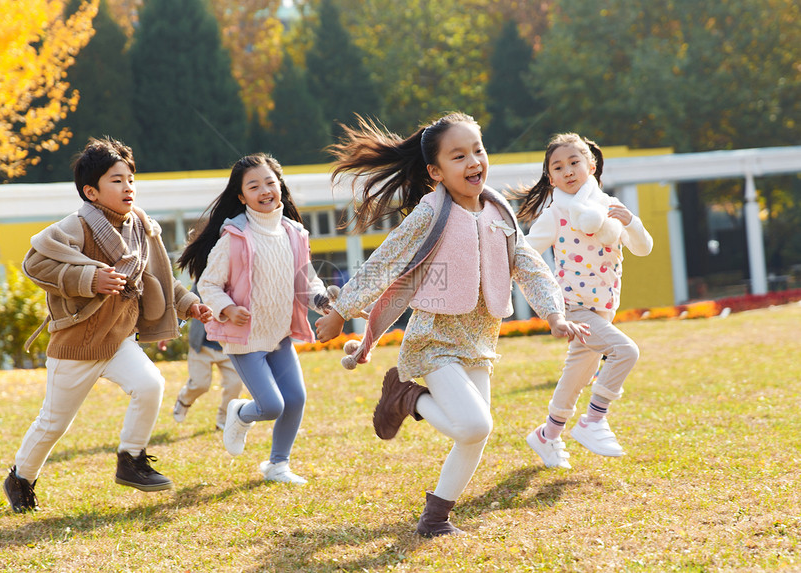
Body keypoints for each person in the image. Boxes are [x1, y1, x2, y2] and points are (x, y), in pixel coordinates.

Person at [315, 113, 588, 537]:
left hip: (479, 338)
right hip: (434, 338)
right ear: (436, 172)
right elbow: (386, 261)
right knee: (478, 425)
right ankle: (407, 398)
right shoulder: (431, 213)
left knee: (472, 434)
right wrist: (341, 310)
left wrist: (554, 313)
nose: (473, 161)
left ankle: (435, 520)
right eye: (458, 155)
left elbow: (529, 266)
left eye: (477, 150)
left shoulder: (499, 210)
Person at [4, 137, 213, 513]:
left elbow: (159, 278)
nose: (128, 186)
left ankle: (130, 461)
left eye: (130, 178)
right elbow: (35, 263)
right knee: (53, 423)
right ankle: (20, 479)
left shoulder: (140, 226)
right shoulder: (77, 225)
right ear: (92, 192)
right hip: (77, 345)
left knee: (151, 384)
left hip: (117, 340)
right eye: (116, 180)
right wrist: (89, 279)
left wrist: (189, 305)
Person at [179, 153, 333, 486]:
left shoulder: (294, 233)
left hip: (279, 336)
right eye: (254, 186)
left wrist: (325, 304)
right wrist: (227, 308)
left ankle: (278, 465)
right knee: (272, 405)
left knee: (296, 399)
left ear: (280, 187)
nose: (264, 190)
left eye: (269, 183)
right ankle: (240, 413)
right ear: (241, 196)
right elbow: (208, 284)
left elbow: (306, 283)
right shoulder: (234, 237)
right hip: (245, 339)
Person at [517, 133, 653, 469]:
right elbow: (528, 252)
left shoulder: (609, 207)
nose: (568, 171)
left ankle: (547, 435)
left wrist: (631, 222)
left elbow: (643, 247)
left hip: (603, 308)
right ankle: (594, 420)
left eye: (574, 162)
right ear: (551, 178)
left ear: (590, 165)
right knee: (626, 352)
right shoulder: (555, 214)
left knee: (576, 376)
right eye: (558, 167)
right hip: (575, 305)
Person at [172, 289, 244, 431]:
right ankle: (184, 401)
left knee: (234, 384)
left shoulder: (239, 280)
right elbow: (185, 303)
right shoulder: (204, 279)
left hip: (228, 346)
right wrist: (173, 329)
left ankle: (223, 420)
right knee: (200, 384)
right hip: (202, 345)